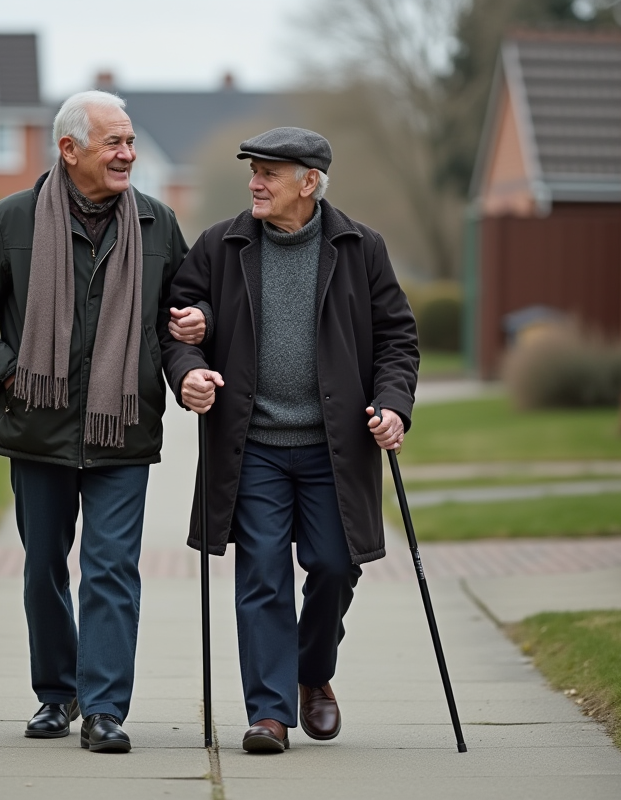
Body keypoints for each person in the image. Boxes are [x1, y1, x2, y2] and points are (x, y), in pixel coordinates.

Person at [0, 90, 197, 754]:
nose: (128, 154)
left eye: (131, 141)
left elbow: (181, 324)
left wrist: (195, 338)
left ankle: (106, 707)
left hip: (124, 429)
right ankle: (57, 694)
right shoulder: (12, 220)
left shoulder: (157, 225)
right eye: (114, 142)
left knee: (112, 568)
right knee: (44, 568)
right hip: (38, 427)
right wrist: (6, 372)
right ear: (69, 149)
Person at [163, 127, 419, 753]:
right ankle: (269, 713)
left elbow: (396, 340)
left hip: (335, 447)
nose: (255, 181)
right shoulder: (219, 246)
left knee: (335, 565)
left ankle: (313, 673)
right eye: (254, 170)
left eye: (270, 173)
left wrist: (393, 406)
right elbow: (178, 323)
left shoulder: (361, 248)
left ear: (309, 183)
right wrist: (188, 368)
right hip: (252, 448)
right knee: (263, 577)